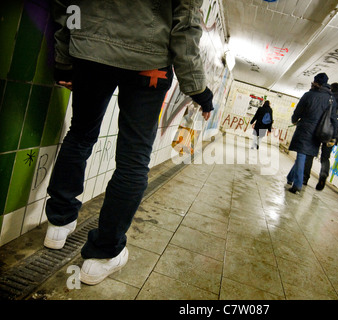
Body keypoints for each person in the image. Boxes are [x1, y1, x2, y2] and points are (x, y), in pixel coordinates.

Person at [44, 0, 214, 285]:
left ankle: (58, 223)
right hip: (149, 62)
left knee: (80, 134)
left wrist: (63, 58)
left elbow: (63, 2)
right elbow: (185, 24)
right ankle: (101, 257)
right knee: (133, 160)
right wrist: (197, 88)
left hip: (90, 50)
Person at [287, 73, 338, 194]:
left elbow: (298, 111)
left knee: (301, 155)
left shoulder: (308, 95)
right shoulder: (331, 99)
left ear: (315, 82)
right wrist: (334, 136)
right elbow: (333, 119)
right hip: (319, 133)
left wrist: (294, 120)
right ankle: (290, 178)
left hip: (305, 129)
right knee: (303, 155)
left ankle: (297, 184)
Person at [303, 82, 338, 191]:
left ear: (331, 89)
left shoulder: (328, 99)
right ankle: (323, 174)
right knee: (325, 157)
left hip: (319, 133)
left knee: (311, 153)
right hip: (333, 136)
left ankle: (304, 178)